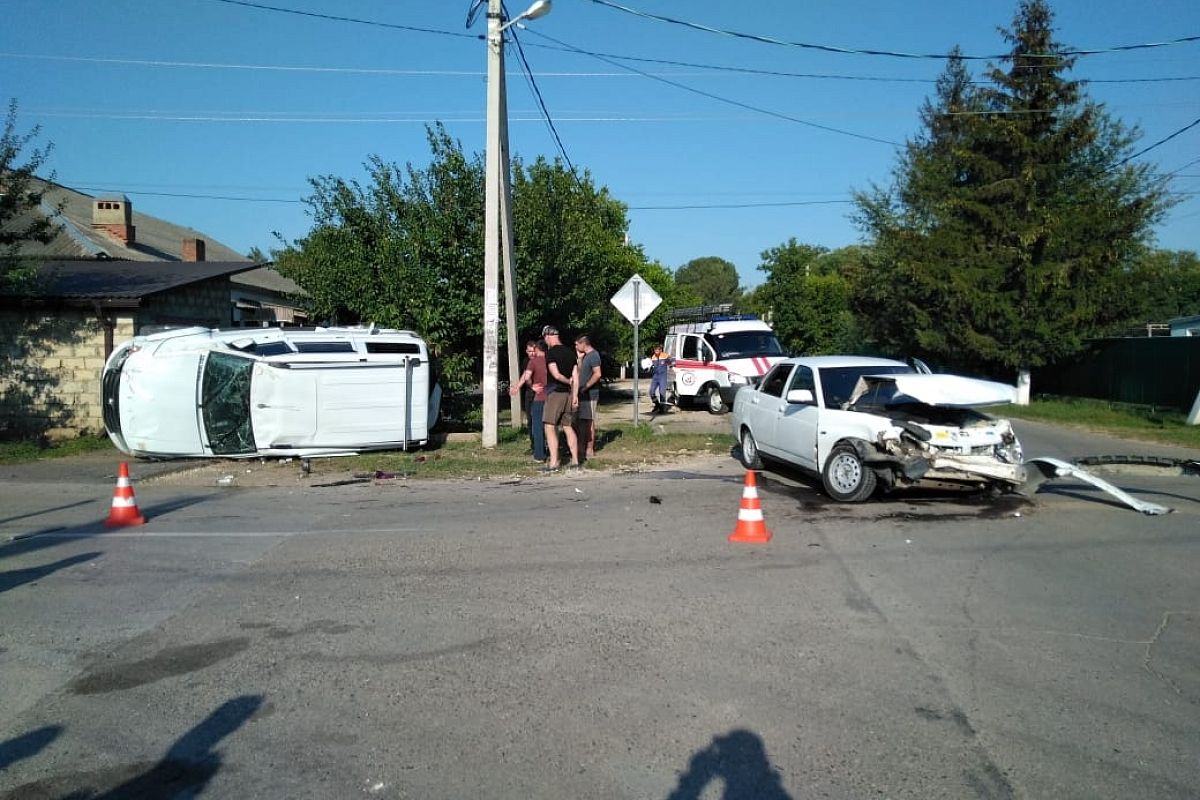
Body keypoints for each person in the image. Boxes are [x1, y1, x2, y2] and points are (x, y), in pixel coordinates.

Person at [540, 325, 580, 472]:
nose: (545, 342)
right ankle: (575, 460)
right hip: (568, 395)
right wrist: (575, 395)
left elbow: (555, 375)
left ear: (549, 336)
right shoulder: (571, 353)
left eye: (545, 339)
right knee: (568, 427)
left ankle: (554, 462)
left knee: (549, 427)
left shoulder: (551, 354)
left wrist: (566, 381)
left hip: (555, 393)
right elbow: (576, 377)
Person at [509, 339, 547, 462]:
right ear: (526, 351)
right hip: (530, 395)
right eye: (529, 351)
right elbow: (525, 375)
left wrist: (529, 385)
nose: (531, 353)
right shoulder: (527, 361)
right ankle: (535, 446)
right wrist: (517, 387)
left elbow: (527, 377)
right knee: (531, 422)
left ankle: (543, 448)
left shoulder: (538, 361)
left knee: (542, 422)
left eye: (533, 350)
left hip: (539, 394)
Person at [573, 334, 602, 460]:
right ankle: (580, 447)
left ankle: (589, 449)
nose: (576, 346)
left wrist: (586, 386)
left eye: (577, 344)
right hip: (581, 393)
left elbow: (597, 374)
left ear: (583, 343)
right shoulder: (584, 357)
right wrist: (579, 359)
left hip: (590, 394)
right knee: (580, 421)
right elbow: (578, 373)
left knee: (589, 421)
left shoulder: (594, 355)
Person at [649, 345, 674, 413]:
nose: (656, 352)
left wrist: (672, 365)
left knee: (662, 392)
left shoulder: (665, 355)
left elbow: (671, 361)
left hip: (662, 377)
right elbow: (651, 366)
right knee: (651, 392)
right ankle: (657, 405)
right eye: (655, 350)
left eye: (657, 350)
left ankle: (662, 409)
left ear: (660, 350)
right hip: (655, 377)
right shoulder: (653, 357)